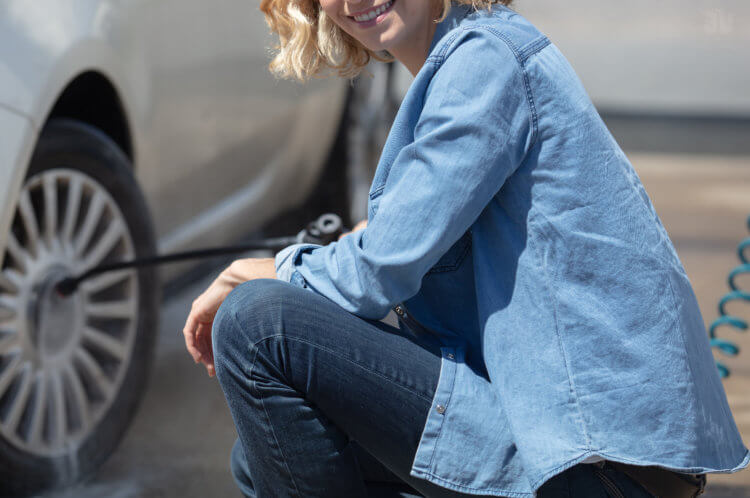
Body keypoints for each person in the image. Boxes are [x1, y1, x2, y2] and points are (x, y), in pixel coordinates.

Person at [182, 0, 750, 496]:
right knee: (265, 458)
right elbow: (414, 236)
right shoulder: (470, 57)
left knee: (259, 323)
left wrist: (252, 273)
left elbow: (377, 273)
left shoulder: (485, 60)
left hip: (596, 462)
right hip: (580, 450)